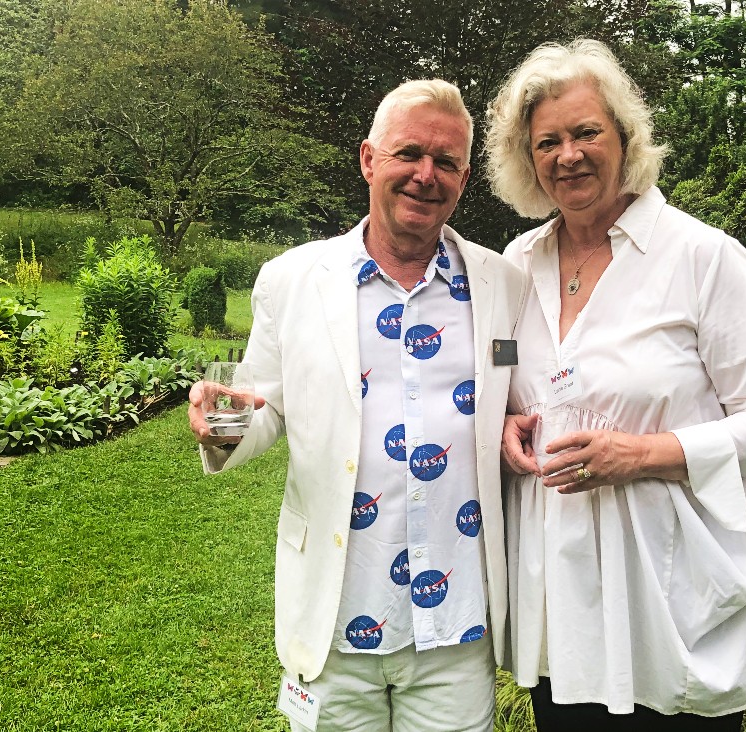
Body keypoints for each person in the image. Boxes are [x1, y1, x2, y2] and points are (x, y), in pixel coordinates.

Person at [484, 40, 746, 730]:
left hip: (670, 598)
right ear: (527, 160)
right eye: (548, 142)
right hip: (559, 610)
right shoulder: (517, 265)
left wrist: (640, 454)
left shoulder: (702, 257)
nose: (568, 154)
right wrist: (503, 422)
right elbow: (513, 391)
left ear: (626, 138)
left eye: (586, 132)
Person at [189, 79, 526, 732]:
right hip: (336, 613)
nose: (426, 175)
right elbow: (263, 412)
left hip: (456, 623)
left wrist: (513, 420)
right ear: (369, 159)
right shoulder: (291, 280)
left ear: (462, 178)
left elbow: (517, 390)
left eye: (447, 162)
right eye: (409, 154)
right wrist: (222, 423)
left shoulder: (502, 284)